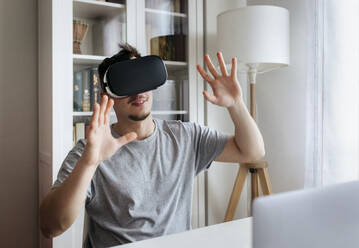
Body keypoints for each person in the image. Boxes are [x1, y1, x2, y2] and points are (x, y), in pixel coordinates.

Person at [39, 43, 265, 247]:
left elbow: (252, 152)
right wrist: (89, 163)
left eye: (142, 78)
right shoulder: (89, 151)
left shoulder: (185, 137)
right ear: (107, 95)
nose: (138, 91)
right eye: (126, 83)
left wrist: (236, 105)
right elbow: (50, 226)